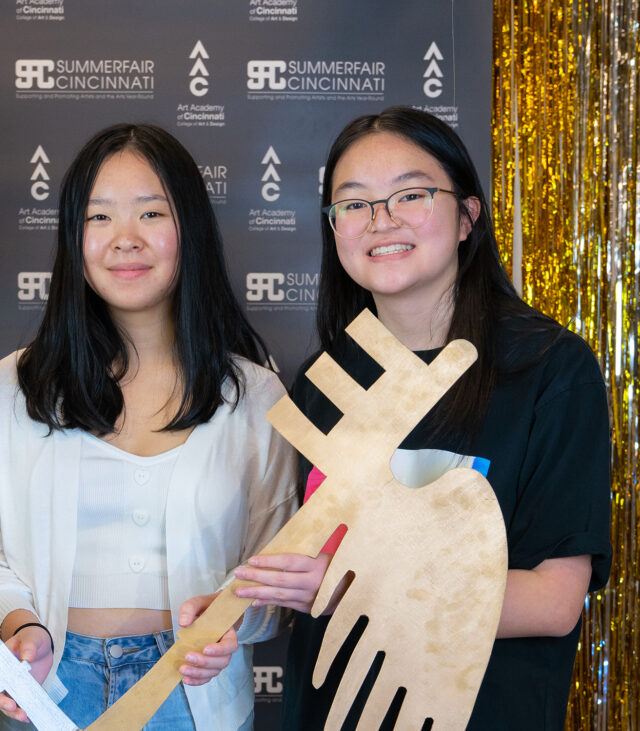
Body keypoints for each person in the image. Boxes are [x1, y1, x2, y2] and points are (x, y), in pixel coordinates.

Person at [232, 106, 612, 729]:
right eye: (353, 204)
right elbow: (306, 560)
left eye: (410, 194)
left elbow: (553, 601)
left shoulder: (549, 369)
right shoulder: (326, 381)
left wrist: (351, 588)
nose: (380, 221)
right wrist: (229, 607)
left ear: (466, 215)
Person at [0, 123, 297, 730]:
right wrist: (22, 630)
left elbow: (274, 575)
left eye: (150, 213)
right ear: (74, 237)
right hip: (51, 690)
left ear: (188, 230)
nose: (125, 239)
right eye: (99, 218)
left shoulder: (253, 396)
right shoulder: (15, 386)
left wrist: (228, 620)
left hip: (195, 697)